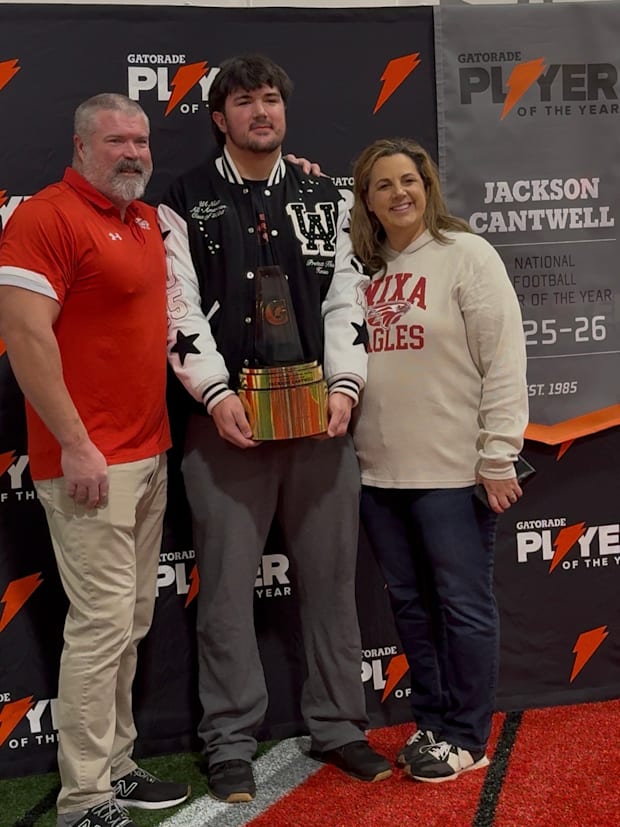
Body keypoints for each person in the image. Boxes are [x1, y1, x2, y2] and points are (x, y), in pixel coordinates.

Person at [158, 54, 392, 803]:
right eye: (244, 102)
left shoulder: (326, 194)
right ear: (218, 118)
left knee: (332, 584)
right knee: (226, 592)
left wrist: (346, 385)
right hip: (226, 427)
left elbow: (347, 296)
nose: (261, 112)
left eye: (271, 100)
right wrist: (214, 393)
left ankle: (340, 725)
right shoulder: (183, 198)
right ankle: (230, 741)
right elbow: (176, 307)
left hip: (320, 424)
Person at [0, 93, 189, 827]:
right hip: (89, 463)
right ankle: (83, 797)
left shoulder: (142, 219)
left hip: (148, 453)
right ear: (81, 146)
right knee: (103, 626)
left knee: (129, 622)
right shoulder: (45, 218)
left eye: (140, 140)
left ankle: (115, 764)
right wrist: (78, 443)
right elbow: (26, 338)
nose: (132, 152)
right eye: (116, 141)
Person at [349, 137, 528, 783]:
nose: (399, 192)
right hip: (378, 474)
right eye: (383, 184)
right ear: (366, 201)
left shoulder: (466, 254)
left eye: (410, 180)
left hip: (453, 472)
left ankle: (467, 735)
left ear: (427, 188)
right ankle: (432, 721)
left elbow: (503, 357)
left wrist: (499, 454)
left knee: (462, 606)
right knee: (411, 607)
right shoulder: (362, 272)